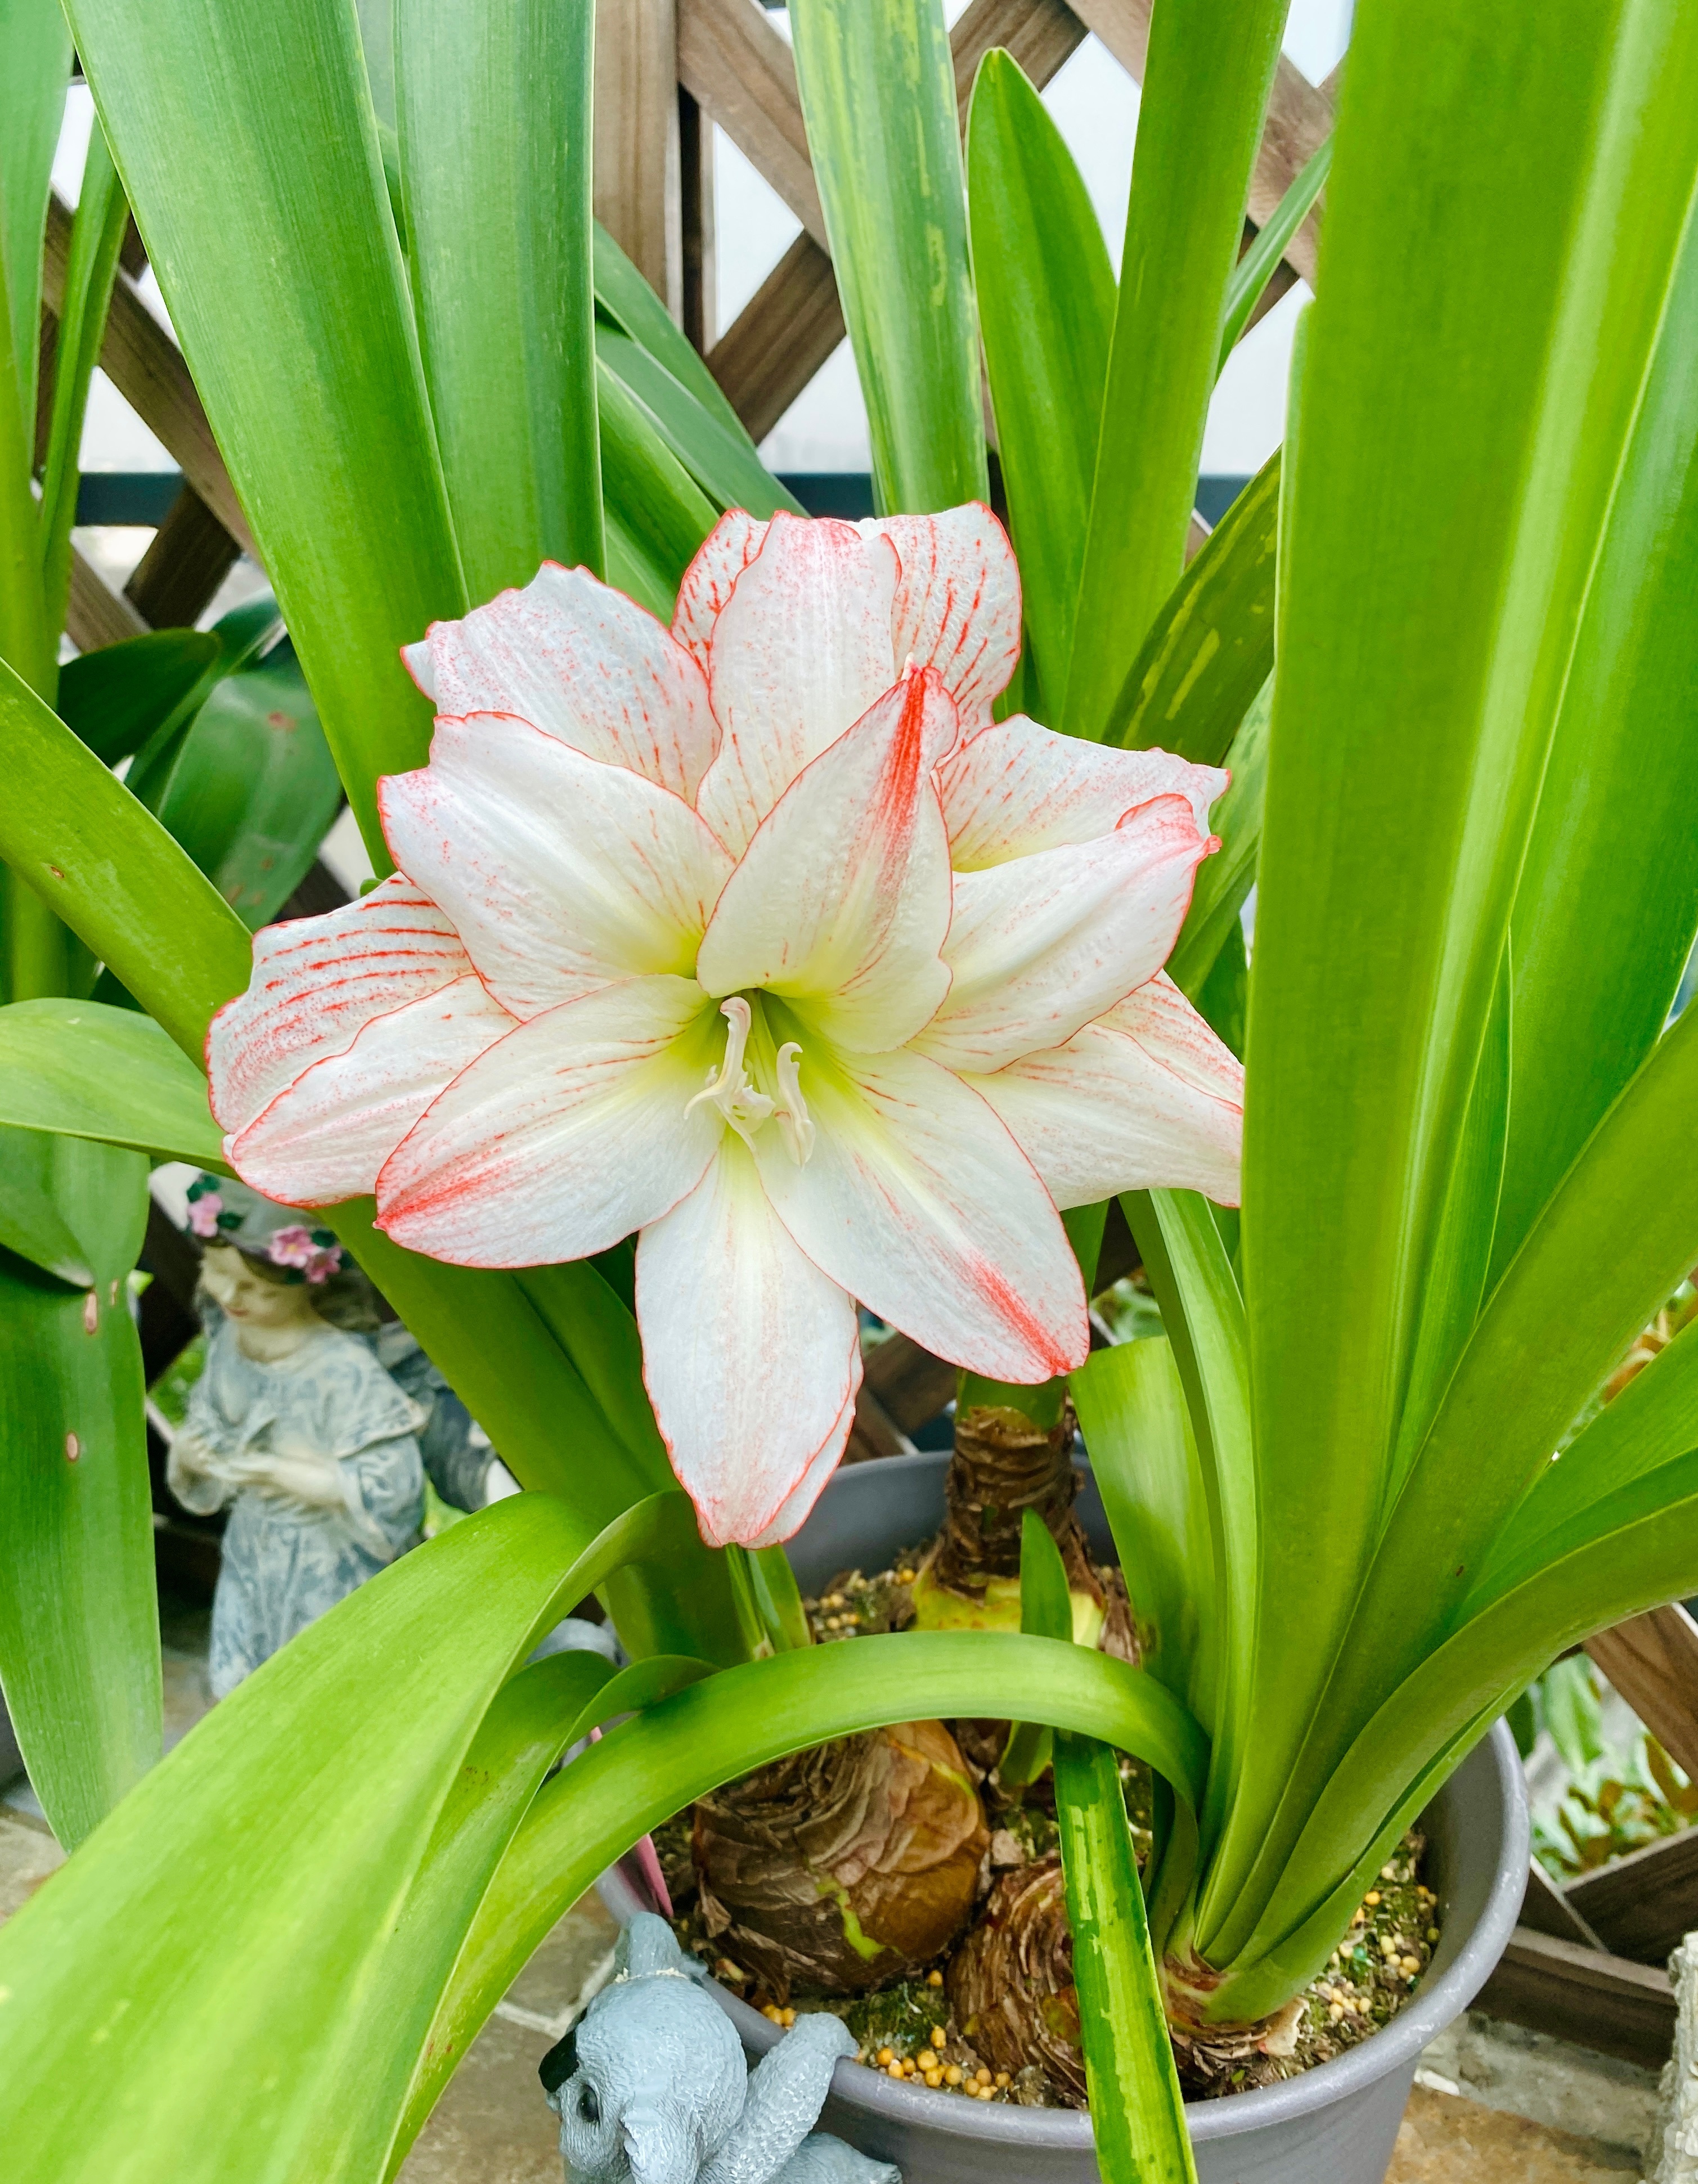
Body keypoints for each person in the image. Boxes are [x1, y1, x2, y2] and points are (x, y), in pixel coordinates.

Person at [167, 1178, 425, 1698]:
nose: (232, 1297)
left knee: (322, 1688)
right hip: (252, 1549)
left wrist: (289, 1475)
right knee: (239, 1680)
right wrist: (189, 1456)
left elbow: (395, 1487)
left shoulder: (341, 1369)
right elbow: (209, 1422)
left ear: (309, 1282)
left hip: (326, 1564)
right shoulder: (230, 1339)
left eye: (260, 1291)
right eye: (217, 1274)